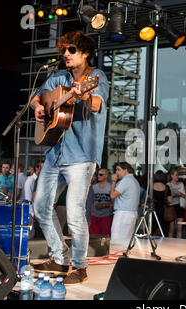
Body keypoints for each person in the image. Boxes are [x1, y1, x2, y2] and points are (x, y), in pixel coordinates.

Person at [30, 30, 109, 285]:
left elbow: (97, 104)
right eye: (64, 50)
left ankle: (80, 266)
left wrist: (83, 95)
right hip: (55, 152)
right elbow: (35, 97)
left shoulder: (96, 76)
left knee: (75, 212)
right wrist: (40, 107)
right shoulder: (58, 77)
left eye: (71, 50)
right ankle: (59, 257)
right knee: (40, 206)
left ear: (85, 53)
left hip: (82, 155)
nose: (65, 54)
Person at [110, 162, 140, 241]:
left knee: (116, 239)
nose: (116, 172)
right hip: (131, 213)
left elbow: (113, 195)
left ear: (125, 170)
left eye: (118, 170)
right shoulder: (134, 180)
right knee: (126, 239)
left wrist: (113, 181)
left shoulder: (125, 181)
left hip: (123, 214)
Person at [90, 168, 113, 237]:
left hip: (106, 216)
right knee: (94, 236)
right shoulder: (94, 187)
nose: (98, 176)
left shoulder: (111, 187)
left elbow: (114, 203)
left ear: (106, 175)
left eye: (101, 174)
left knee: (105, 237)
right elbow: (90, 201)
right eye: (97, 174)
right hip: (94, 216)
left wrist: (104, 205)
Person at [166, 168, 186, 238]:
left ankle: (179, 244)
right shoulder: (168, 185)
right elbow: (168, 198)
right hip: (172, 207)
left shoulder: (181, 184)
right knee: (171, 229)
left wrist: (180, 194)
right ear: (172, 176)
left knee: (179, 228)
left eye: (178, 175)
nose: (178, 177)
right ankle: (169, 245)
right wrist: (175, 195)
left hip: (180, 206)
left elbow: (185, 196)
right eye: (176, 175)